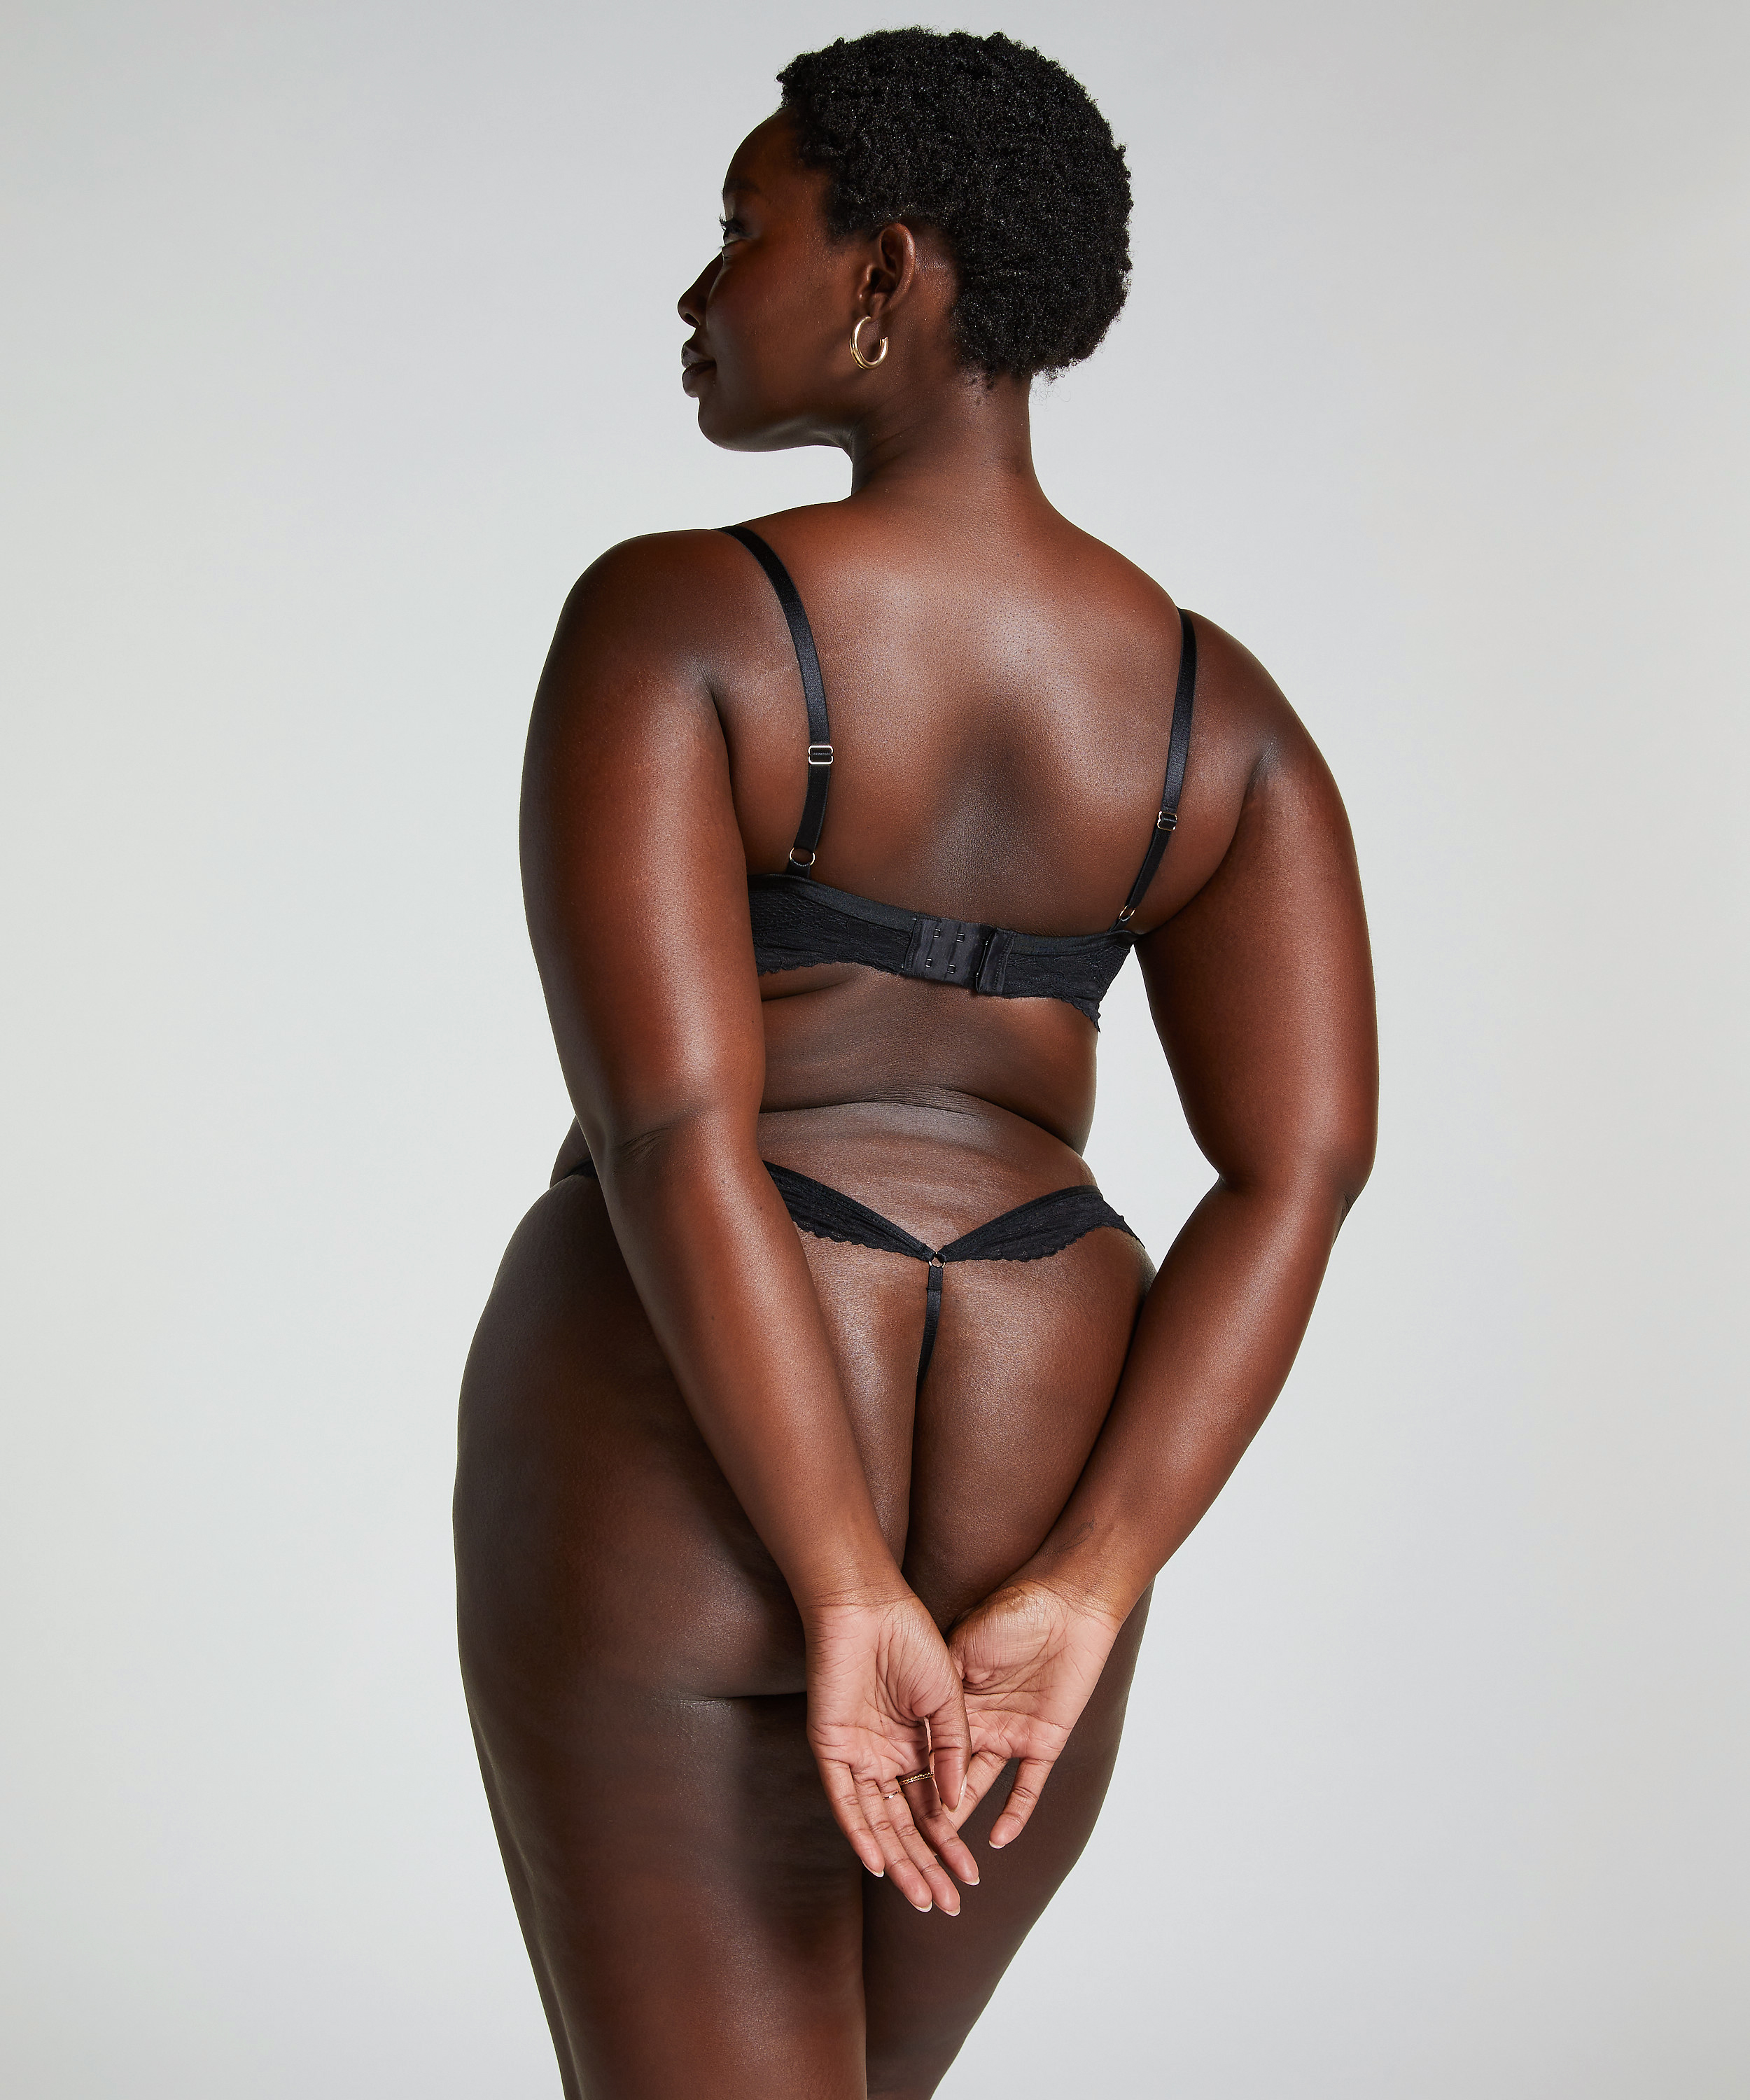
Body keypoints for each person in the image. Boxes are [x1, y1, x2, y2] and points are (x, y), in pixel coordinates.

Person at [454, 27, 1376, 2097]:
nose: (701, 287)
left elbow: (675, 1126)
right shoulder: (1221, 713)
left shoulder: (677, 620)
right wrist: (1092, 1582)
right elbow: (1299, 1174)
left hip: (705, 1425)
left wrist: (833, 1573)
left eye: (742, 227)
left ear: (885, 272)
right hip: (1051, 1443)